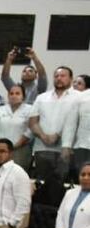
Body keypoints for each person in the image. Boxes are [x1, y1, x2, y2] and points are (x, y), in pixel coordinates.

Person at [28, 66, 81, 206]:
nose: (59, 78)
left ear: (70, 78)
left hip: (67, 150)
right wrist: (43, 135)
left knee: (62, 187)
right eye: (57, 76)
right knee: (41, 186)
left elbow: (78, 122)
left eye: (63, 76)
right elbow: (33, 122)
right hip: (42, 148)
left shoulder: (79, 97)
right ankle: (41, 219)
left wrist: (58, 135)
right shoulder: (42, 97)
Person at [0, 83, 33, 170]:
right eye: (11, 93)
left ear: (23, 96)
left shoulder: (30, 109)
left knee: (17, 175)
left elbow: (30, 131)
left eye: (17, 93)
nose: (14, 96)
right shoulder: (0, 110)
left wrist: (14, 146)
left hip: (20, 150)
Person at [56, 163, 90, 228]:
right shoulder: (70, 193)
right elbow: (60, 215)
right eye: (83, 174)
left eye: (89, 175)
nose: (85, 177)